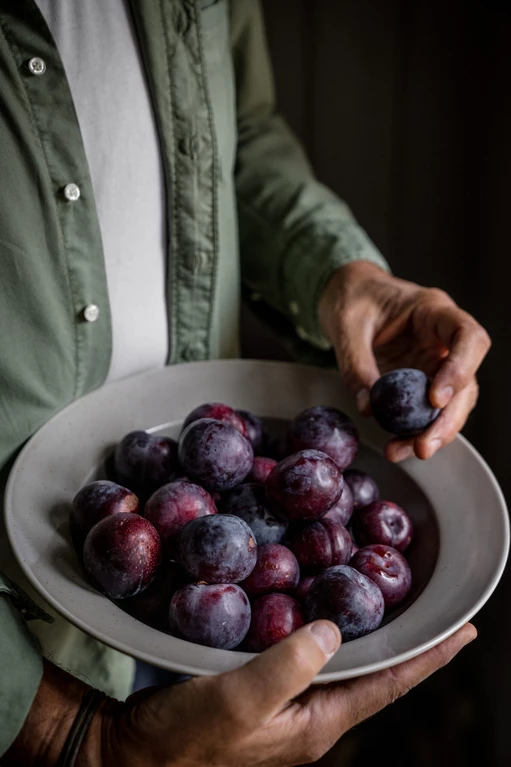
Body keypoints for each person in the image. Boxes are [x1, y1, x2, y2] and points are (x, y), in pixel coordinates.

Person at [0, 0, 489, 764]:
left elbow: (242, 134)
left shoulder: (237, 515)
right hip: (27, 651)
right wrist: (59, 732)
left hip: (186, 619)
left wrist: (337, 270)